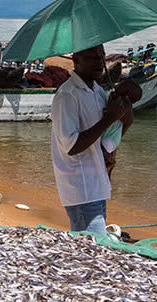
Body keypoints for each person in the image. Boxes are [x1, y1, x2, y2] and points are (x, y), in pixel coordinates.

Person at [50, 44, 128, 236]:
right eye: (92, 57)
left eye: (101, 56)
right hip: (80, 187)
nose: (99, 62)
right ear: (76, 60)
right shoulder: (67, 95)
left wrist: (123, 114)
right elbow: (72, 145)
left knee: (93, 248)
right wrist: (109, 118)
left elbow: (105, 140)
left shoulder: (97, 91)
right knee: (93, 249)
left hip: (98, 183)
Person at [99, 80, 142, 179]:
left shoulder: (123, 103)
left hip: (110, 138)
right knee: (106, 159)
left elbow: (110, 110)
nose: (117, 85)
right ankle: (107, 179)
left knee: (105, 153)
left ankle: (107, 174)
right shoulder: (117, 99)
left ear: (127, 94)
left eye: (121, 86)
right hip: (113, 137)